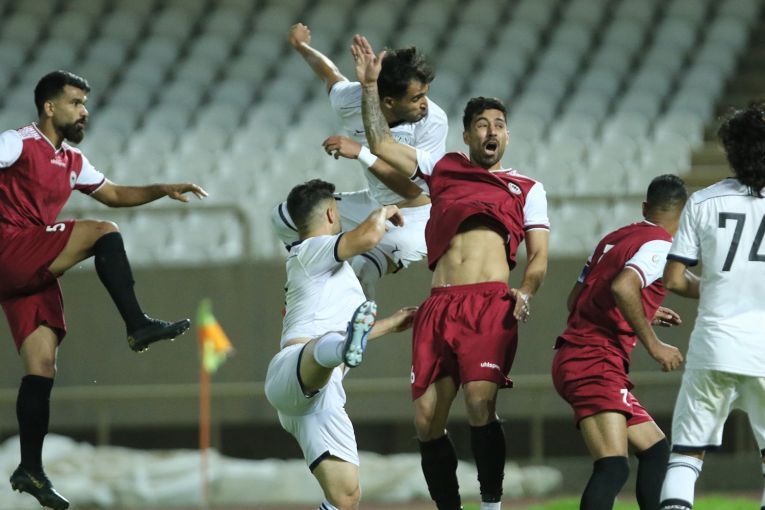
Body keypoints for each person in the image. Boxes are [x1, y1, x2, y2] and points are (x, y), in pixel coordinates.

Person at [352, 35, 550, 510]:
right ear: (466, 136)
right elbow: (380, 143)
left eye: (499, 124)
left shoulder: (527, 187)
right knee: (426, 421)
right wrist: (370, 87)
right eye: (481, 124)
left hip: (488, 304)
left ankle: (491, 505)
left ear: (507, 136)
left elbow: (539, 255)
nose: (491, 131)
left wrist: (525, 289)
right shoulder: (442, 168)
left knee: (480, 403)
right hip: (439, 305)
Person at [0, 70, 207, 509]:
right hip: (10, 247)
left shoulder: (73, 160)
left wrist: (162, 188)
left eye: (84, 103)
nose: (84, 111)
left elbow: (113, 193)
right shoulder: (17, 143)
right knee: (102, 231)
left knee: (42, 366)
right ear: (49, 107)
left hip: (29, 265)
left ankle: (30, 469)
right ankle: (137, 324)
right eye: (75, 102)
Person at [264, 179, 417, 510]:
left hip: (320, 398)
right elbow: (369, 237)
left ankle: (339, 348)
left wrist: (391, 324)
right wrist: (385, 210)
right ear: (332, 213)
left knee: (345, 498)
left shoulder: (331, 271)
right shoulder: (310, 250)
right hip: (296, 367)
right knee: (330, 346)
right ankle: (338, 348)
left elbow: (350, 336)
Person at [271, 23, 448, 297]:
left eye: (425, 94)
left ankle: (356, 321)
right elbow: (329, 74)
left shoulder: (432, 122)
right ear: (388, 102)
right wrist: (301, 46)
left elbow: (414, 191)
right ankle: (311, 283)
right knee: (284, 217)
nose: (425, 103)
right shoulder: (352, 100)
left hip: (417, 216)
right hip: (374, 203)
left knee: (362, 270)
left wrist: (361, 153)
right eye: (416, 98)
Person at [551, 175, 688, 510]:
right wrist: (655, 345)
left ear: (645, 207)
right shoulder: (661, 245)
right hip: (594, 359)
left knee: (655, 450)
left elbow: (575, 300)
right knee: (613, 466)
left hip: (580, 355)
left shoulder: (613, 239)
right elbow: (623, 287)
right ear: (684, 214)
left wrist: (643, 311)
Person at [658, 103, 765, 510]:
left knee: (686, 455)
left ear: (732, 150)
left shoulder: (703, 201)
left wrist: (720, 286)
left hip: (716, 343)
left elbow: (673, 278)